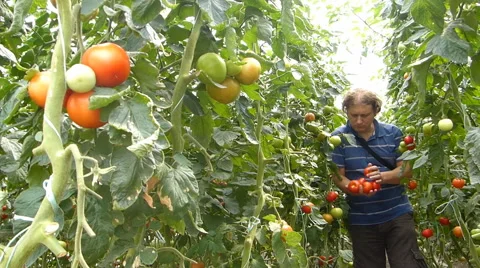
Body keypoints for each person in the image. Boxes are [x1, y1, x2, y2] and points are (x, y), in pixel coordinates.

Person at [330, 88, 427, 268]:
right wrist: (354, 187)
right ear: (346, 112)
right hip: (361, 219)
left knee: (407, 264)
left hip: (397, 213)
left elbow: (406, 171)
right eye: (354, 115)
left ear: (376, 111)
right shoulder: (338, 138)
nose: (359, 121)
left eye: (364, 115)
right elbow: (338, 176)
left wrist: (382, 177)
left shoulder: (394, 133)